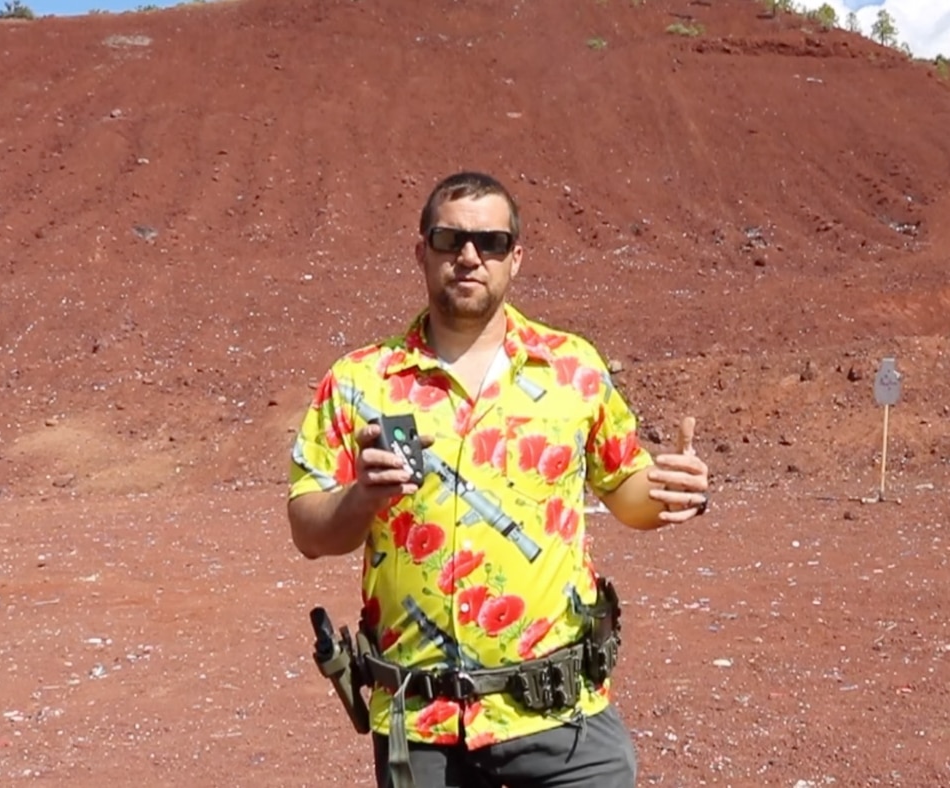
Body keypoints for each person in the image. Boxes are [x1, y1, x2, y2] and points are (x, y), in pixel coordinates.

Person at [287, 171, 711, 788]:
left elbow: (627, 491)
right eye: (449, 239)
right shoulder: (359, 381)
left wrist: (676, 490)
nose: (468, 256)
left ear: (516, 257)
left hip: (562, 721)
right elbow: (308, 529)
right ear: (421, 252)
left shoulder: (572, 370)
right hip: (424, 724)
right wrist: (360, 498)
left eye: (489, 242)